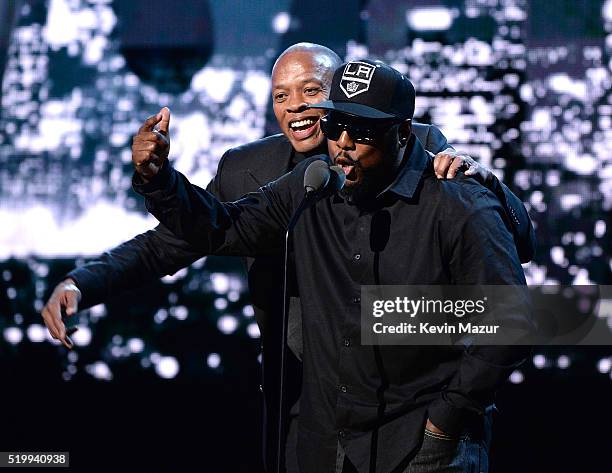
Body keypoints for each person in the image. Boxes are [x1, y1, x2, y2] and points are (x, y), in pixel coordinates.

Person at [40, 44, 534, 472]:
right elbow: (189, 236)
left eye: (312, 92)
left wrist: (446, 415)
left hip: (413, 421)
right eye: (282, 95)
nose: (298, 108)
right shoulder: (272, 176)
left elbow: (509, 293)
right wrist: (151, 188)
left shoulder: (432, 164)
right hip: (308, 410)